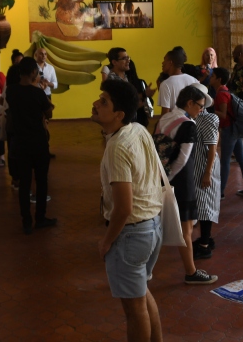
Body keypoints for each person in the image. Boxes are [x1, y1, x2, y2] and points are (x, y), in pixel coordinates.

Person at [94, 79, 164, 342]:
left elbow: (123, 207)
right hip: (152, 225)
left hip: (131, 234)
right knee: (142, 294)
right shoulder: (138, 129)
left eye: (104, 102)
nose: (96, 104)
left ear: (118, 114)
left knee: (134, 310)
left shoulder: (117, 147)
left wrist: (106, 241)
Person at [155, 85, 218, 285]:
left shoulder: (165, 118)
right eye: (199, 106)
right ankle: (191, 272)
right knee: (186, 230)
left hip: (161, 175)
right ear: (189, 103)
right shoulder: (189, 125)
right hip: (181, 181)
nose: (201, 111)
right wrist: (170, 179)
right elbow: (182, 159)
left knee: (165, 223)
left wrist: (162, 179)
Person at [7, 57, 56, 234]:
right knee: (41, 181)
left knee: (25, 183)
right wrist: (42, 91)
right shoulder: (37, 93)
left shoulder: (11, 91)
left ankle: (26, 221)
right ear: (35, 73)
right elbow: (48, 113)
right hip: (38, 141)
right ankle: (40, 217)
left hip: (20, 142)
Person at [188, 82, 221, 260]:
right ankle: (205, 238)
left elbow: (212, 148)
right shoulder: (196, 118)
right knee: (201, 205)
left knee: (206, 206)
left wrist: (207, 172)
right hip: (199, 167)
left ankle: (205, 245)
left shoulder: (207, 119)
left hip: (205, 168)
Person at [211, 67, 243, 198]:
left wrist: (209, 110)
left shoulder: (221, 94)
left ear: (219, 79)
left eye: (213, 76)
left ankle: (221, 192)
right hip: (234, 128)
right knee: (241, 158)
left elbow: (223, 114)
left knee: (225, 161)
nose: (210, 78)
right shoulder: (225, 91)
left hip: (229, 129)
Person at [103, 48, 150, 127]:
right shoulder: (112, 81)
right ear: (114, 62)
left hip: (131, 123)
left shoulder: (127, 78)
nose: (128, 60)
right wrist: (143, 95)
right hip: (119, 126)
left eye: (128, 57)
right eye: (124, 58)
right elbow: (121, 103)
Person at [3, 50, 24, 184]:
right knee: (19, 150)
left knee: (13, 149)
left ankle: (15, 177)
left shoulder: (9, 90)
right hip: (19, 124)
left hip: (11, 123)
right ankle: (19, 176)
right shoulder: (21, 91)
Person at [34, 47, 58, 159]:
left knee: (45, 123)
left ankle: (45, 150)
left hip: (46, 96)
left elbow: (55, 84)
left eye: (45, 54)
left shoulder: (51, 68)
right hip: (35, 96)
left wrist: (48, 84)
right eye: (41, 54)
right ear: (36, 55)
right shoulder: (33, 68)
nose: (43, 56)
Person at [157, 49, 198, 115]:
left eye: (164, 60)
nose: (162, 63)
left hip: (174, 124)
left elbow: (165, 115)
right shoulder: (194, 80)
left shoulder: (165, 84)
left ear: (171, 63)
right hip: (191, 124)